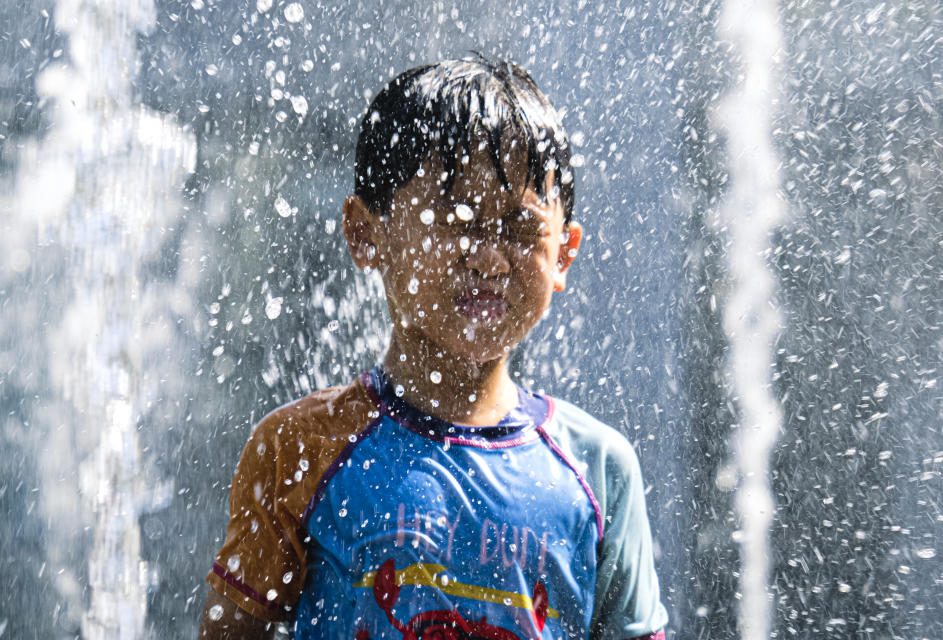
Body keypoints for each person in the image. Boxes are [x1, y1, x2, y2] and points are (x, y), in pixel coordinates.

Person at [198, 56, 668, 640]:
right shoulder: (299, 450)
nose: (489, 259)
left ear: (564, 253)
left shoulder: (598, 470)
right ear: (366, 234)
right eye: (457, 219)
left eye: (520, 230)